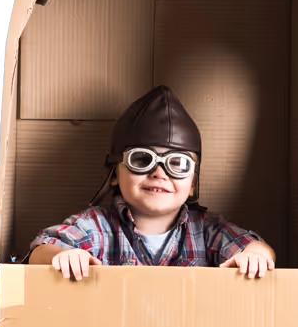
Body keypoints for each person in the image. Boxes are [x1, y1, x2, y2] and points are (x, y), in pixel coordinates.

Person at [27, 85, 276, 280]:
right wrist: (64, 256)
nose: (159, 173)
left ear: (193, 185)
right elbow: (41, 248)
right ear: (114, 173)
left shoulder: (208, 231)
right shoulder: (96, 227)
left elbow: (252, 245)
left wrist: (255, 256)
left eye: (177, 164)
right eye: (142, 160)